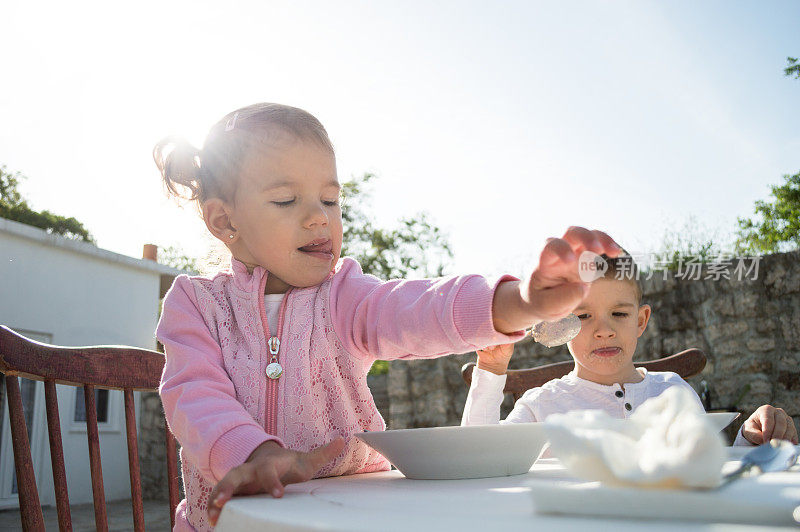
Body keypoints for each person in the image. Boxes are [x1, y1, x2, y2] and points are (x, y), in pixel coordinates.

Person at [153, 102, 622, 530]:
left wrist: (521, 302)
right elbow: (193, 395)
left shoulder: (344, 296)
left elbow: (421, 308)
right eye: (286, 200)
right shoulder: (195, 305)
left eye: (330, 200)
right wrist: (255, 454)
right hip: (225, 521)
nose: (320, 218)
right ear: (225, 222)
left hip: (351, 512)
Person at [462, 254, 799, 447]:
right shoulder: (541, 406)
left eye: (619, 314)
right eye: (582, 316)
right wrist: (491, 370)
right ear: (557, 325)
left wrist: (751, 441)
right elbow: (476, 459)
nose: (604, 329)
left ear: (640, 321)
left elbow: (709, 470)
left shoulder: (673, 391)